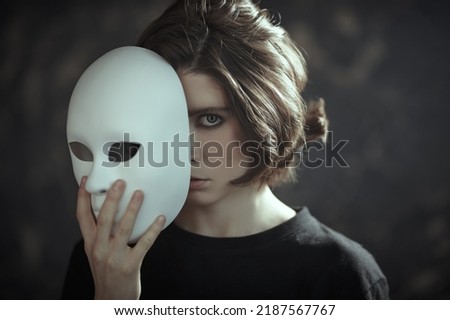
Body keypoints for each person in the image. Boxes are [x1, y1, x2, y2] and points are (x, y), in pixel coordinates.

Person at [62, 0, 389, 299]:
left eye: (209, 118)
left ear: (265, 117)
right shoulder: (106, 260)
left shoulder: (341, 275)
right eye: (165, 122)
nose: (181, 150)